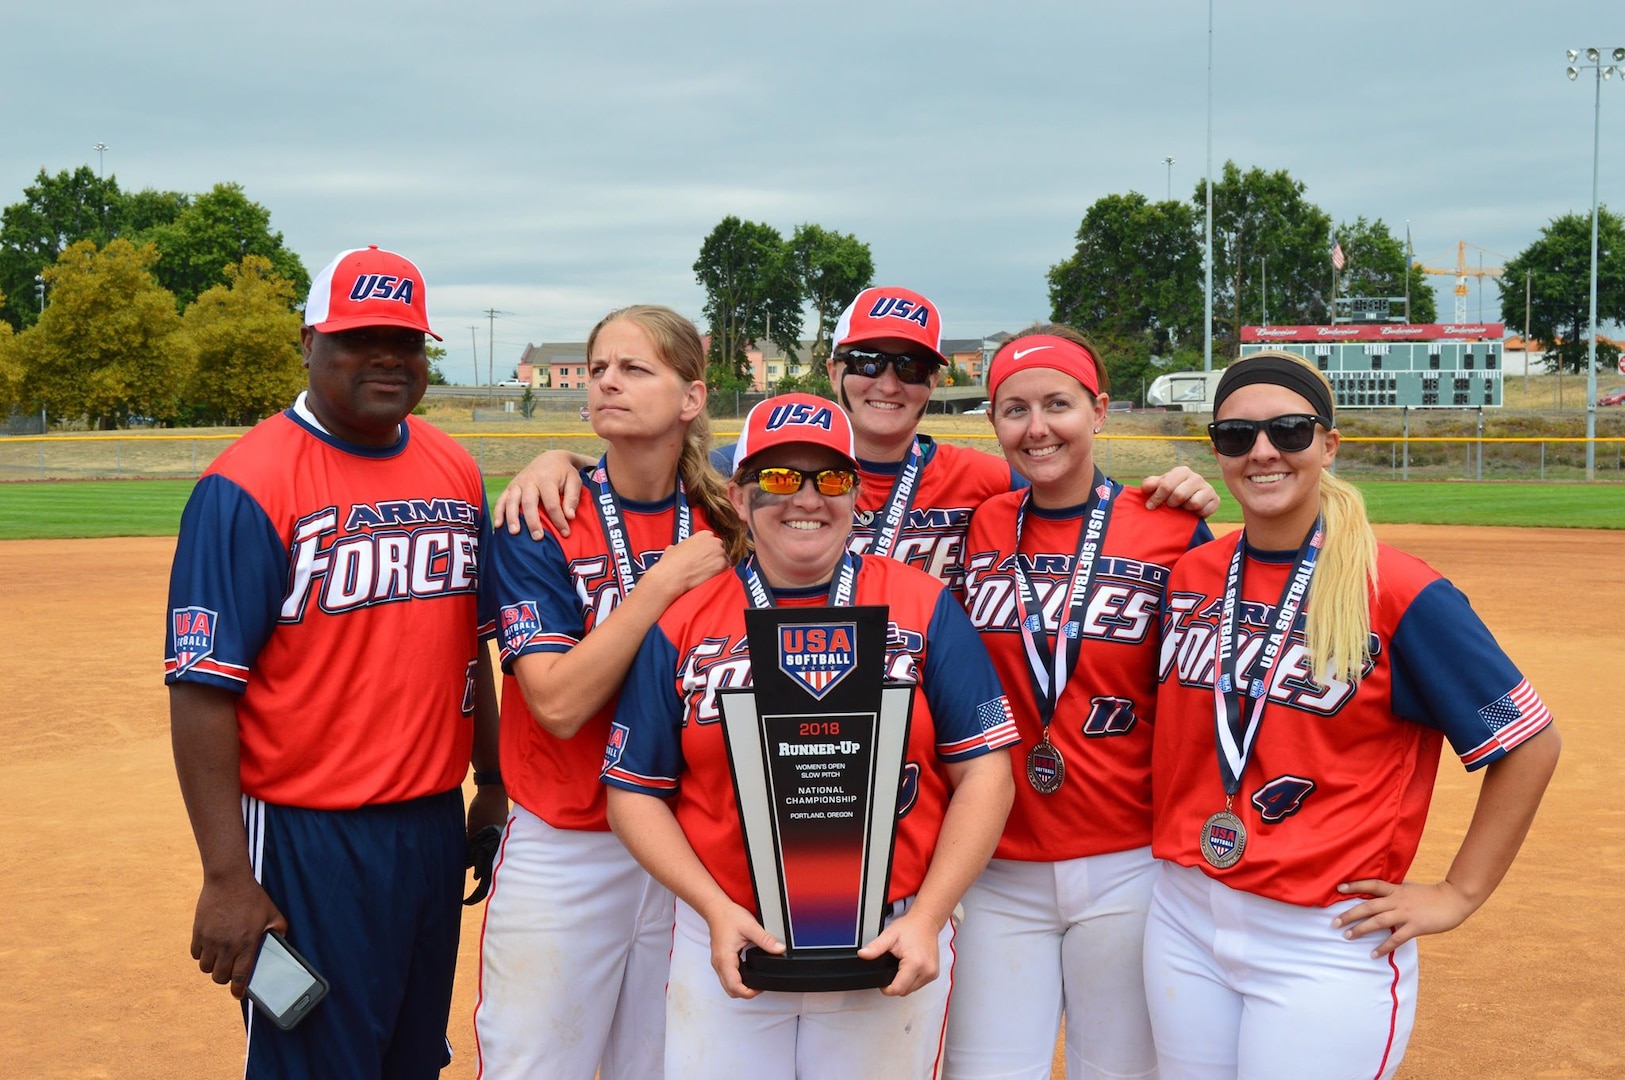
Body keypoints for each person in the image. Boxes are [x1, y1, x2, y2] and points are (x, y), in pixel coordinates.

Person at [1144, 350, 1561, 1079]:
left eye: (1289, 430)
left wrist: (1457, 893)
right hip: (1181, 915)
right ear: (1215, 449)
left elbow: (1528, 741)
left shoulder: (1397, 590)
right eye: (1236, 436)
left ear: (1328, 444)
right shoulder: (1192, 576)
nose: (1262, 451)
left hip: (1321, 937)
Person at [602, 393, 1019, 1078]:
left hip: (888, 935)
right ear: (737, 496)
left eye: (829, 478)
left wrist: (929, 917)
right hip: (729, 933)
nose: (804, 497)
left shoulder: (920, 604)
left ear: (856, 495)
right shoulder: (687, 619)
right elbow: (633, 791)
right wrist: (711, 909)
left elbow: (985, 772)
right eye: (775, 478)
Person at [165, 246, 507, 1078]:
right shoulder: (246, 484)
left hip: (430, 828)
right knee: (317, 1061)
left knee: (410, 1055)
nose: (388, 356)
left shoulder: (453, 467)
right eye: (360, 338)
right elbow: (202, 688)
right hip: (307, 835)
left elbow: (468, 646)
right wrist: (226, 877)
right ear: (310, 342)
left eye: (406, 339)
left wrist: (490, 780)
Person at [493, 285, 1219, 590]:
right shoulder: (741, 467)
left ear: (934, 382)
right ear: (834, 368)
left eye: (910, 366)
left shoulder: (984, 479)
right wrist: (556, 458)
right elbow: (647, 464)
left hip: (929, 725)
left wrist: (1177, 488)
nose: (887, 382)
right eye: (867, 361)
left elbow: (1080, 504)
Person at [475, 305, 745, 1078]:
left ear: (691, 397)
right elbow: (555, 704)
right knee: (537, 1065)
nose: (608, 383)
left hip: (691, 844)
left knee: (668, 1066)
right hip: (568, 845)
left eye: (634, 369)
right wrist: (661, 585)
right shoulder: (541, 516)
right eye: (598, 369)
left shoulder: (729, 515)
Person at [948, 328, 1213, 1080]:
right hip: (996, 864)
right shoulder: (984, 523)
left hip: (1128, 860)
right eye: (1013, 410)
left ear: (1097, 410)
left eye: (1057, 404)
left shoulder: (1170, 525)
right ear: (993, 423)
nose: (1036, 428)